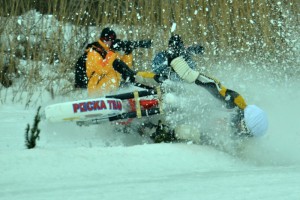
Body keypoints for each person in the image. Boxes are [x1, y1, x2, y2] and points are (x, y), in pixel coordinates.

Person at [112, 34, 268, 142]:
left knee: (171, 132)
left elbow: (205, 137)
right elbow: (209, 83)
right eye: (243, 127)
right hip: (189, 99)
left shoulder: (235, 137)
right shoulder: (233, 101)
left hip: (189, 122)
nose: (240, 131)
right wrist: (184, 70)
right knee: (169, 89)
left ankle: (142, 128)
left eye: (246, 133)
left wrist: (177, 133)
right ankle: (132, 76)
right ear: (243, 117)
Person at [75, 27, 151, 96]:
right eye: (110, 40)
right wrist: (112, 52)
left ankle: (141, 83)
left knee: (120, 67)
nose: (111, 42)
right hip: (96, 91)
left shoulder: (110, 53)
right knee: (113, 68)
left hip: (111, 90)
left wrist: (128, 52)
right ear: (104, 39)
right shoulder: (93, 52)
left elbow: (125, 65)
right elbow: (102, 69)